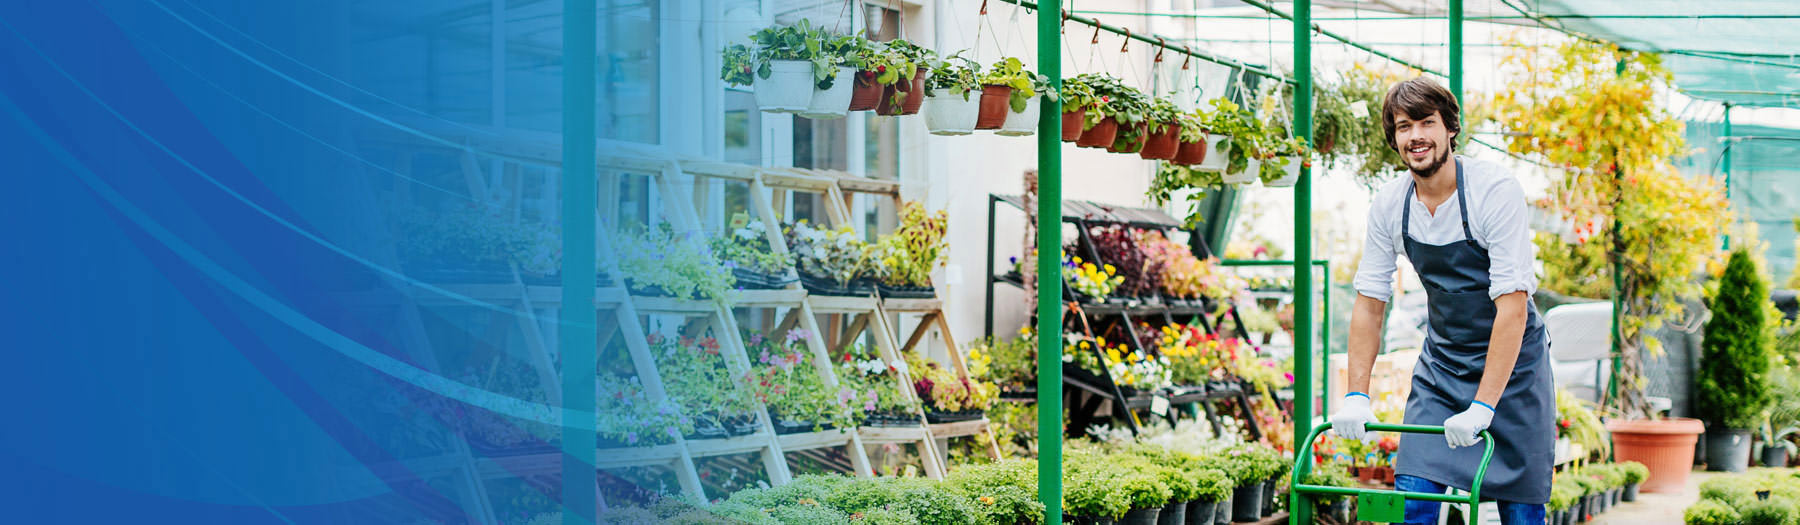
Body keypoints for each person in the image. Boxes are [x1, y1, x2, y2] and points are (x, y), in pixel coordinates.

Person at [1328, 77, 1554, 524]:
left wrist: (1485, 404)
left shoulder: (1493, 190)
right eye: (1403, 126)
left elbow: (1511, 305)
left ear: (1450, 128)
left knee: (1521, 511)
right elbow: (1370, 301)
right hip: (1443, 368)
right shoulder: (1391, 203)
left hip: (1514, 371)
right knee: (1413, 501)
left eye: (1427, 123)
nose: (1416, 136)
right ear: (1393, 138)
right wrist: (1356, 394)